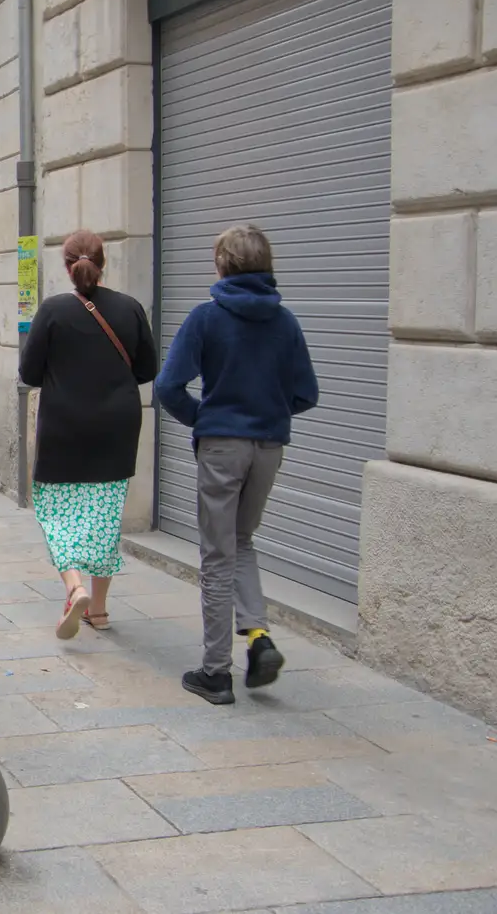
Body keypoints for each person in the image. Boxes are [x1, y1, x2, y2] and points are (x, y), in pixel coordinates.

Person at [156, 225, 318, 706]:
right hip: (268, 446)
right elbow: (306, 393)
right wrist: (267, 412)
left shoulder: (207, 318)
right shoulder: (285, 322)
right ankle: (259, 637)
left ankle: (215, 672)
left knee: (216, 553)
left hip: (222, 447)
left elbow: (168, 386)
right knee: (242, 542)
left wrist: (204, 419)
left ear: (222, 264)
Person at [18, 231, 158, 642]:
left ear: (66, 266)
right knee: (104, 517)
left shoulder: (53, 310)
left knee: (56, 512)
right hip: (117, 425)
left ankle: (73, 587)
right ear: (104, 263)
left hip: (64, 425)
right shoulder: (130, 309)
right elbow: (147, 369)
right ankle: (98, 610)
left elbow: (29, 373)